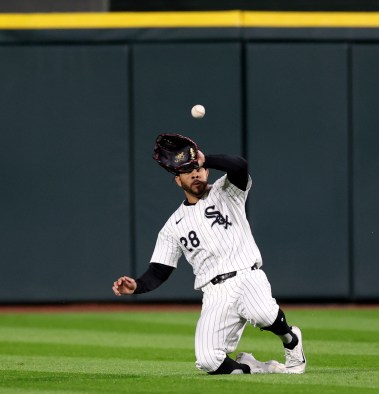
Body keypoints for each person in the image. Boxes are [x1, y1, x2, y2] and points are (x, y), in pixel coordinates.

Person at [111, 133, 306, 375]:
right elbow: (160, 270)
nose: (195, 174)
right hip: (215, 293)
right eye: (188, 171)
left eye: (199, 169)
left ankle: (291, 340)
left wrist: (206, 159)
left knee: (262, 312)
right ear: (177, 180)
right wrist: (137, 285)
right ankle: (257, 368)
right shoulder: (173, 226)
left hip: (247, 275)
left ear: (206, 172)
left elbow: (240, 166)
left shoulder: (226, 191)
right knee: (208, 361)